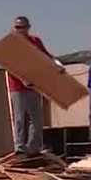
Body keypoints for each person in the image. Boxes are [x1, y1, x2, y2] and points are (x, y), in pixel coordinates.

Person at [5, 16, 55, 156]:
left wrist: (56, 65)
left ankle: (34, 146)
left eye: (22, 27)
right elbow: (8, 65)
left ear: (28, 27)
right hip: (17, 86)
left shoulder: (35, 41)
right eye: (17, 27)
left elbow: (46, 56)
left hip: (34, 85)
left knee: (36, 118)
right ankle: (20, 145)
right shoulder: (10, 44)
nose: (19, 30)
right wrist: (22, 79)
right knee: (20, 117)